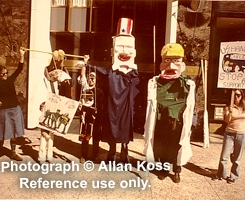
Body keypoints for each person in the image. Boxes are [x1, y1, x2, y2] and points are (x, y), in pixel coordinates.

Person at [76, 18, 139, 164]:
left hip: (125, 109)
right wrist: (86, 65)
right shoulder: (110, 73)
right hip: (112, 110)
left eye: (128, 48)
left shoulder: (133, 75)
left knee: (123, 129)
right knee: (112, 129)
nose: (124, 52)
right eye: (120, 47)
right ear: (112, 50)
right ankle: (111, 155)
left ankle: (123, 155)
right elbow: (98, 69)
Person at [143, 43, 196, 183]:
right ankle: (164, 169)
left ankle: (177, 171)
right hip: (161, 122)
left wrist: (191, 123)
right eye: (167, 61)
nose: (171, 66)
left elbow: (191, 105)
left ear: (182, 63)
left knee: (178, 146)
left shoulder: (188, 84)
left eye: (176, 61)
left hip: (178, 123)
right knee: (162, 147)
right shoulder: (154, 82)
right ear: (161, 63)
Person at [0, 48, 26, 165]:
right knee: (1, 133)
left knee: (14, 133)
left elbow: (20, 68)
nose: (5, 75)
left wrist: (21, 54)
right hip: (4, 111)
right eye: (3, 74)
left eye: (6, 73)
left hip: (15, 109)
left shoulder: (10, 80)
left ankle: (13, 152)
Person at [213, 89, 245, 184]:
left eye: (238, 95)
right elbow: (227, 121)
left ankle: (233, 176)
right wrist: (229, 112)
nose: (236, 97)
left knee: (237, 157)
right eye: (234, 95)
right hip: (229, 133)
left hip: (242, 134)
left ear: (242, 96)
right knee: (224, 156)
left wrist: (244, 129)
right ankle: (220, 174)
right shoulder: (228, 107)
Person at [77, 68, 104, 163]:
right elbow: (81, 102)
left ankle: (95, 155)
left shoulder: (99, 92)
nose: (91, 80)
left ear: (96, 80)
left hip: (95, 118)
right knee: (85, 136)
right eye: (90, 78)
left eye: (93, 78)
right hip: (86, 116)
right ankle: (83, 156)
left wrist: (97, 114)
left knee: (96, 138)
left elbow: (101, 107)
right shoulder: (84, 90)